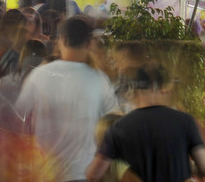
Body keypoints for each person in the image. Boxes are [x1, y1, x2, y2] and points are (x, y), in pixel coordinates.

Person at [16, 16, 119, 182]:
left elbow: (18, 116)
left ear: (61, 40)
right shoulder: (99, 79)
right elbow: (114, 123)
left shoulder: (40, 74)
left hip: (47, 172)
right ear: (88, 43)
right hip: (85, 172)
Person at [86, 62, 205, 182]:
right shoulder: (185, 121)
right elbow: (203, 165)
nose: (168, 94)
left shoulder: (118, 127)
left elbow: (93, 174)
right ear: (154, 87)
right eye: (165, 89)